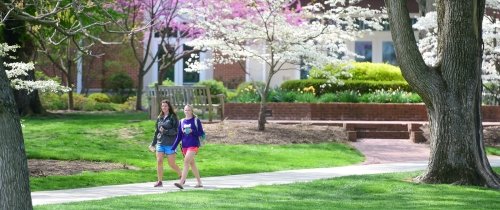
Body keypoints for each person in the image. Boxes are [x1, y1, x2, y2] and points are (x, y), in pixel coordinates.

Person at [149, 99, 182, 187]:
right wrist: (153, 144)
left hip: (170, 143)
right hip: (160, 143)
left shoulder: (173, 117)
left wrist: (166, 131)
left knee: (171, 164)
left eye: (166, 106)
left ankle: (181, 176)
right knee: (159, 161)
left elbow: (176, 131)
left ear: (169, 107)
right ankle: (159, 181)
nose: (164, 107)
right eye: (162, 106)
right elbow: (157, 132)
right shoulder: (159, 117)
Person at [172, 104, 205, 189]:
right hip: (184, 146)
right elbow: (179, 136)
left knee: (186, 161)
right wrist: (173, 147)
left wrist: (192, 131)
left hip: (193, 145)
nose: (187, 112)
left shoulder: (196, 120)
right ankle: (199, 182)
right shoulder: (182, 121)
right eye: (185, 110)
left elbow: (201, 133)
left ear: (192, 111)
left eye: (188, 110)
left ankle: (181, 182)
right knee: (192, 164)